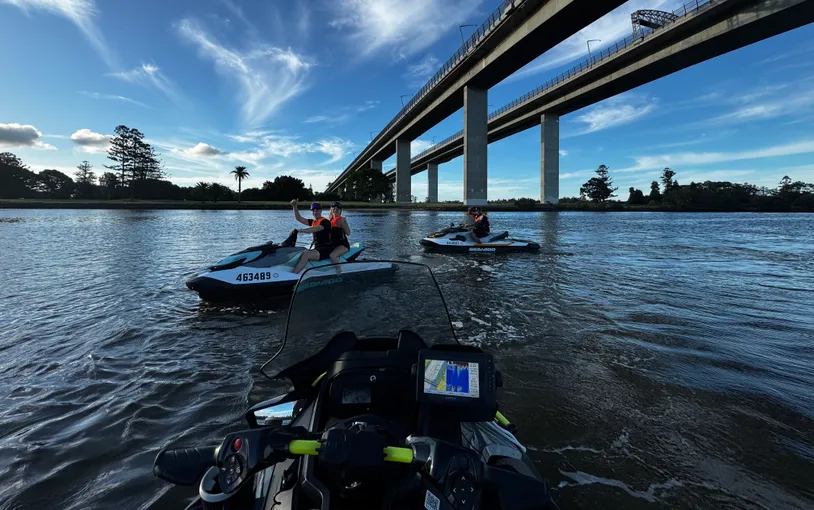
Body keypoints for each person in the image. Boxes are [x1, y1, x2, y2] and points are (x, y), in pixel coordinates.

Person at [289, 199, 333, 274]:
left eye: (317, 210)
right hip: (318, 248)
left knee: (306, 254)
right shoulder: (313, 222)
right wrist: (294, 206)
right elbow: (299, 218)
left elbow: (316, 228)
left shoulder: (325, 222)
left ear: (321, 211)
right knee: (299, 252)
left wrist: (301, 230)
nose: (315, 212)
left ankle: (293, 275)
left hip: (326, 249)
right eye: (313, 211)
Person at [328, 201, 351, 273]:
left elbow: (348, 233)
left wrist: (343, 224)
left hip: (343, 245)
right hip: (333, 245)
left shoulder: (342, 220)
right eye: (334, 209)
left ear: (340, 211)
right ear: (331, 211)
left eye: (337, 209)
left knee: (332, 255)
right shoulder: (330, 221)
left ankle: (339, 270)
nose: (335, 210)